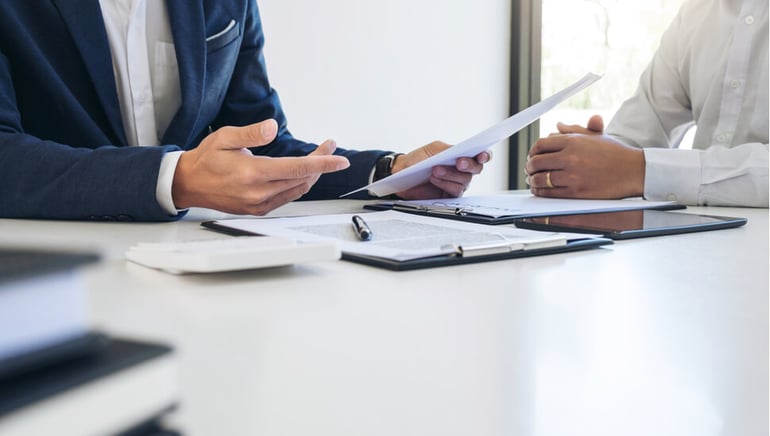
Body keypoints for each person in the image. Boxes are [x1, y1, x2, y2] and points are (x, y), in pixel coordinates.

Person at [0, 0, 489, 222]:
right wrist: (173, 177)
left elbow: (264, 144)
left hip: (200, 283)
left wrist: (391, 174)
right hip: (45, 282)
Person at [526, 0, 768, 207]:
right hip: (697, 244)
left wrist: (639, 170)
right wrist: (582, 158)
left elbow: (632, 166)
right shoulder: (697, 11)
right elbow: (645, 122)